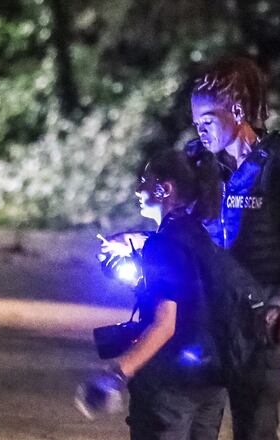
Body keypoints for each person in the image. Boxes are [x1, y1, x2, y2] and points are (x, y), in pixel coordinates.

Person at [187, 57, 280, 440]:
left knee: (254, 426)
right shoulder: (198, 163)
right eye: (196, 123)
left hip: (262, 316)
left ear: (237, 111)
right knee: (189, 424)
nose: (200, 131)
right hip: (205, 314)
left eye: (207, 120)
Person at [80, 149, 228, 440]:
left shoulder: (163, 247)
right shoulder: (207, 238)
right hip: (211, 380)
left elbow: (165, 324)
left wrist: (116, 374)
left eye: (146, 180)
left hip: (170, 384)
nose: (138, 189)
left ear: (164, 189)